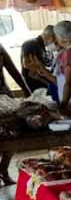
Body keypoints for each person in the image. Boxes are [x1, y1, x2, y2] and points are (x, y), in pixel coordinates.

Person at [0, 41, 31, 186]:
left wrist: (27, 91)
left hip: (4, 97)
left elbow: (13, 71)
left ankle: (3, 169)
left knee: (13, 133)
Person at [21, 25, 59, 101]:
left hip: (45, 81)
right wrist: (42, 73)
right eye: (55, 39)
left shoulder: (44, 47)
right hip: (36, 83)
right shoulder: (31, 44)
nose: (56, 42)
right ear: (49, 36)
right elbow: (27, 64)